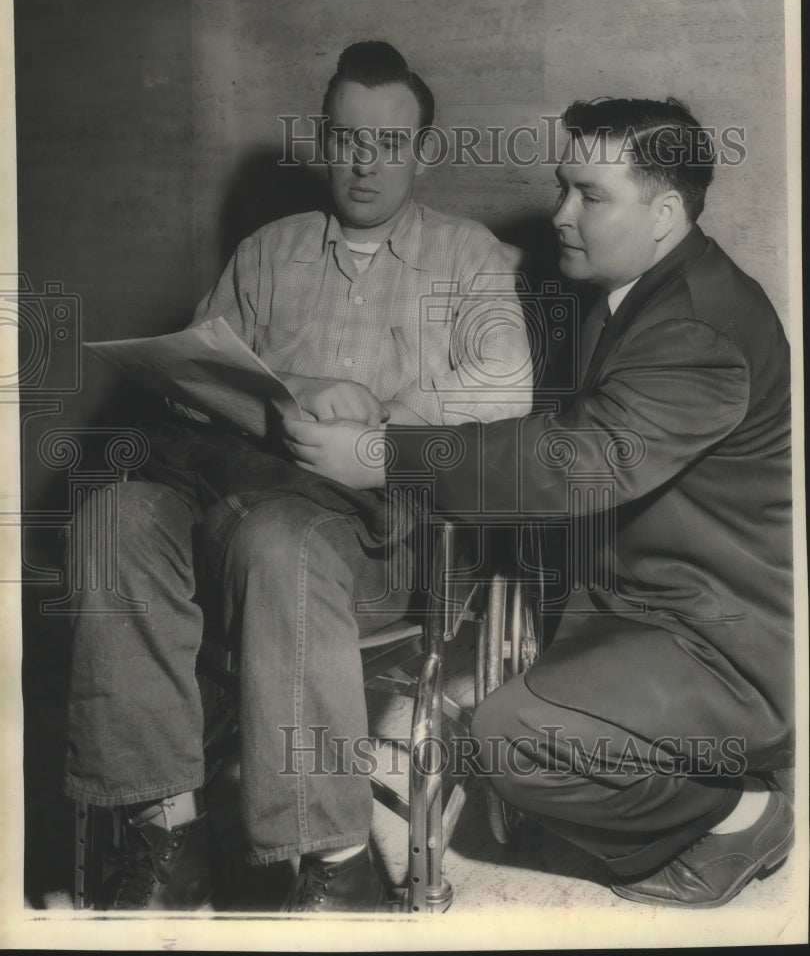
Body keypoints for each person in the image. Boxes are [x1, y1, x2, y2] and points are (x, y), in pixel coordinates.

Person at [285, 97, 795, 909]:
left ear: (664, 213)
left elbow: (573, 459)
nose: (559, 214)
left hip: (714, 639)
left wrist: (383, 453)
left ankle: (744, 812)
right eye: (564, 188)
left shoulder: (700, 329)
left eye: (590, 196)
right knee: (494, 716)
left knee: (504, 742)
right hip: (635, 607)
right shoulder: (631, 289)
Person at [64, 41, 532, 912]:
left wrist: (376, 424)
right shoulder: (268, 252)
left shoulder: (468, 259)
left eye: (389, 143)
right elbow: (192, 387)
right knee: (114, 515)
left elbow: (507, 391)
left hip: (380, 539)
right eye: (347, 138)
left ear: (421, 151)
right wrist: (283, 403)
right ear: (323, 140)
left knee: (281, 541)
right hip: (233, 501)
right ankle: (170, 836)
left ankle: (336, 864)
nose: (364, 162)